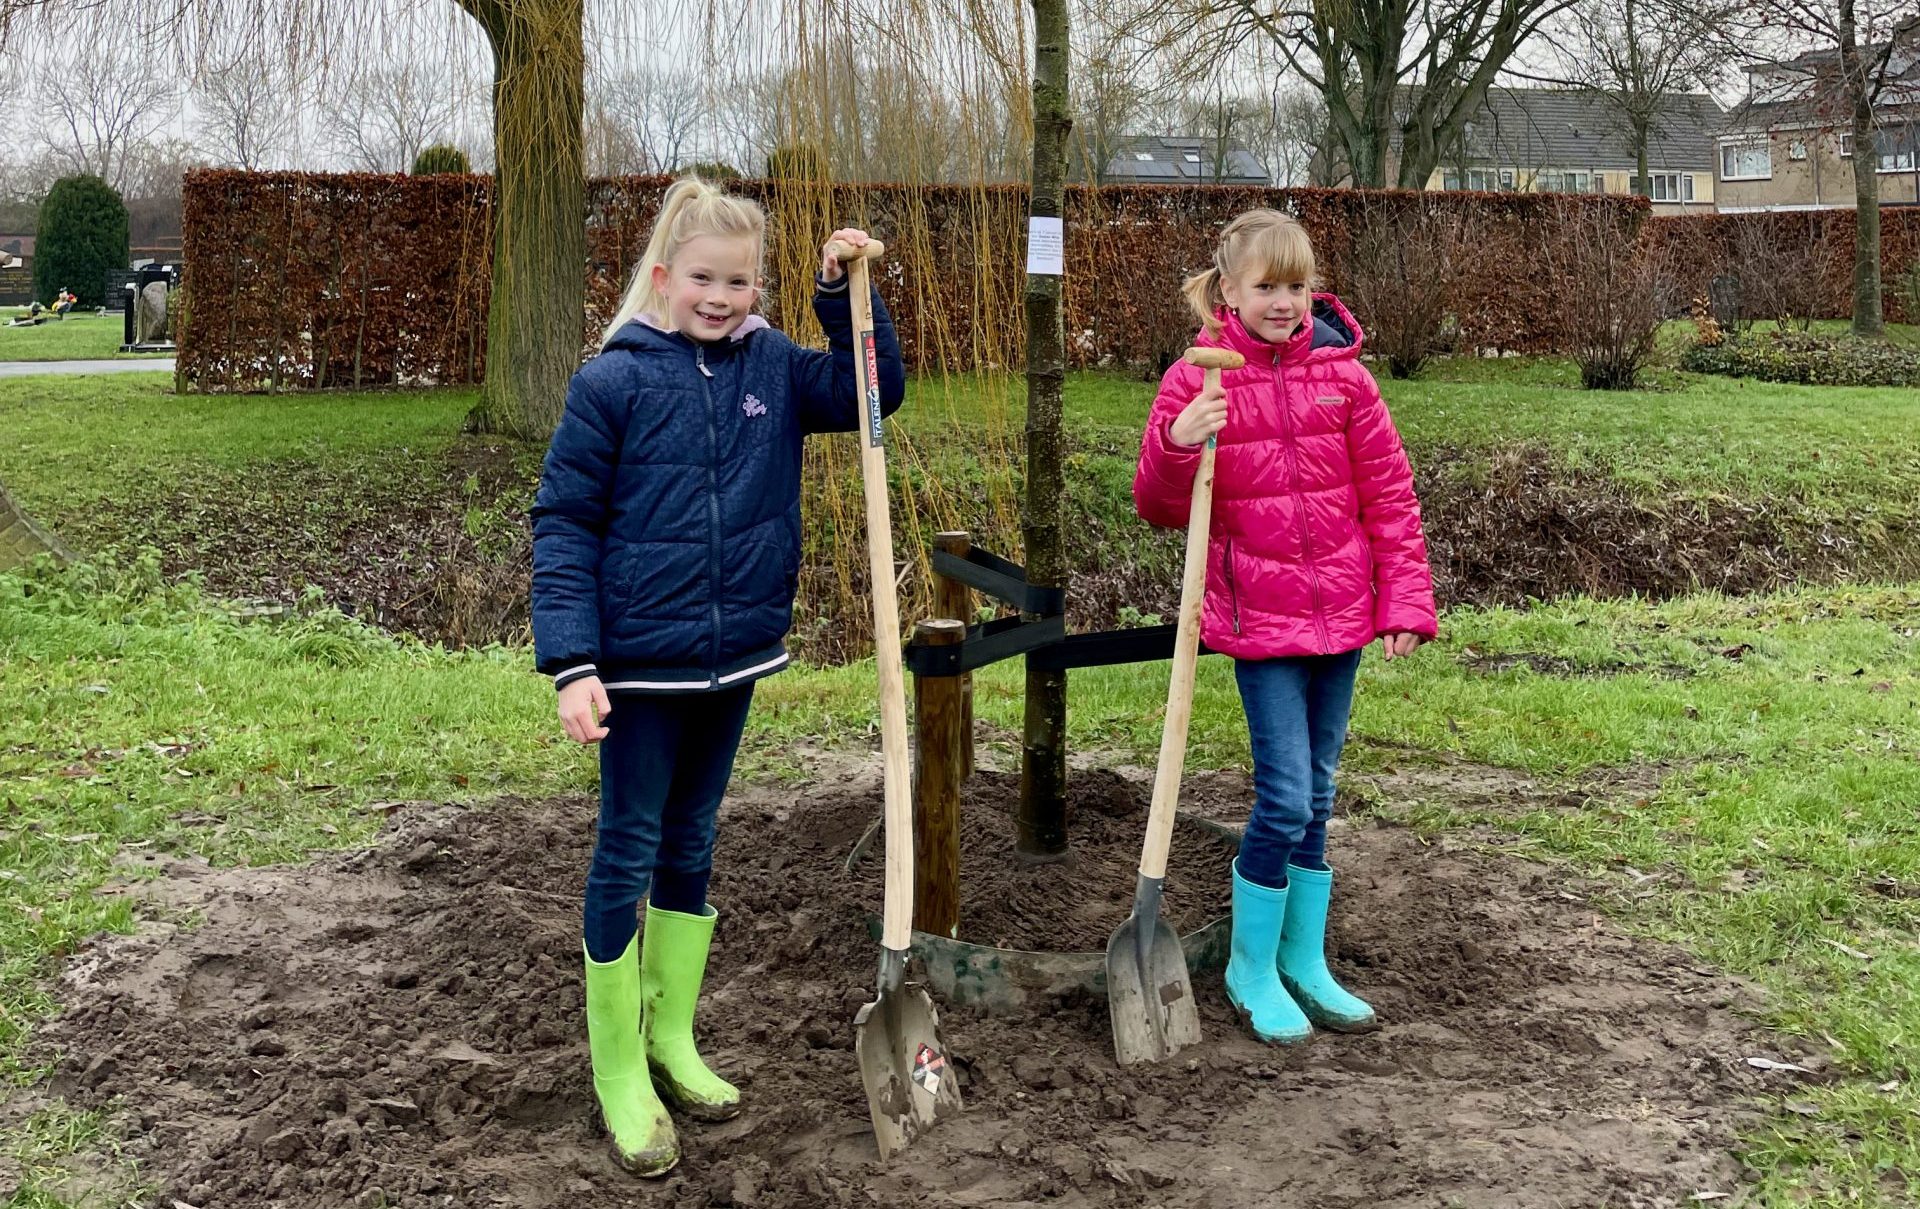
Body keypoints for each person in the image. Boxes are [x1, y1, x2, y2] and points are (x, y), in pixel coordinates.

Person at [530, 176, 904, 1175]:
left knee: (692, 840)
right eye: (704, 277)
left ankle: (669, 1036)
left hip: (732, 655)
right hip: (637, 668)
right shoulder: (612, 382)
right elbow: (563, 525)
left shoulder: (775, 368)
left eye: (741, 281)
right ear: (664, 276)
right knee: (629, 847)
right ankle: (618, 1065)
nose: (722, 297)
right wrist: (571, 664)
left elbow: (872, 392)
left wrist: (844, 299)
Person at [1133, 208, 1437, 1045]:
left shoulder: (1346, 380)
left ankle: (1304, 957)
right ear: (1227, 291)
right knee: (1286, 796)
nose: (1284, 301)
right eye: (1266, 286)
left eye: (1297, 286)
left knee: (1321, 794)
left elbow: (1390, 497)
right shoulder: (1197, 381)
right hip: (1259, 622)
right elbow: (1158, 505)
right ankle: (1249, 964)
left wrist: (1405, 598)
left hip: (1340, 617)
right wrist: (1179, 443)